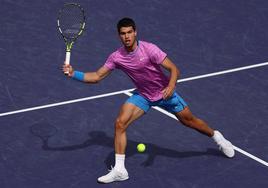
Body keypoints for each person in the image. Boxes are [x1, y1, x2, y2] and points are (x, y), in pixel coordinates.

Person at [62, 17, 235, 184]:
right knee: (120, 123)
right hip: (143, 96)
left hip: (165, 94)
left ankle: (217, 137)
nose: (127, 36)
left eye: (130, 32)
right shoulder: (116, 57)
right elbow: (97, 76)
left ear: (135, 32)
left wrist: (171, 86)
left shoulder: (149, 49)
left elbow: (174, 69)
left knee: (190, 121)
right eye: (123, 33)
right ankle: (120, 171)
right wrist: (73, 73)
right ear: (119, 35)